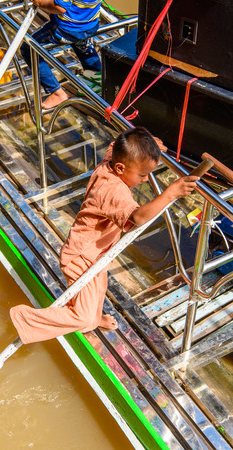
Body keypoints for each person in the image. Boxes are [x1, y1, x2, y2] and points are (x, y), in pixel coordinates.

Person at [10, 127, 199, 344]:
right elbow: (138, 218)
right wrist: (170, 193)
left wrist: (150, 143)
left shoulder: (110, 164)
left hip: (95, 252)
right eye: (142, 174)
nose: (146, 180)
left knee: (98, 291)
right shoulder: (112, 191)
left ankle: (94, 318)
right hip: (81, 257)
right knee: (83, 316)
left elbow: (114, 145)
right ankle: (26, 319)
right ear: (120, 168)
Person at [20, 0, 102, 109]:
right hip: (89, 23)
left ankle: (56, 92)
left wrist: (40, 2)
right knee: (80, 42)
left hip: (66, 28)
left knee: (28, 47)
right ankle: (97, 76)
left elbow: (60, 7)